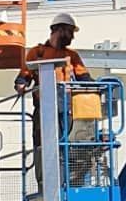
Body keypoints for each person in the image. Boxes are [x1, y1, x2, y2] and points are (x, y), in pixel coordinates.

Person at [15, 13, 102, 189]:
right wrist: (21, 85)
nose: (72, 37)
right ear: (59, 30)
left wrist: (98, 88)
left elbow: (84, 77)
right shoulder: (37, 53)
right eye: (70, 32)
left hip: (67, 108)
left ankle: (69, 181)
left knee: (68, 143)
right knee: (44, 145)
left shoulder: (72, 56)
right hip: (44, 109)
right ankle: (47, 184)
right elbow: (23, 78)